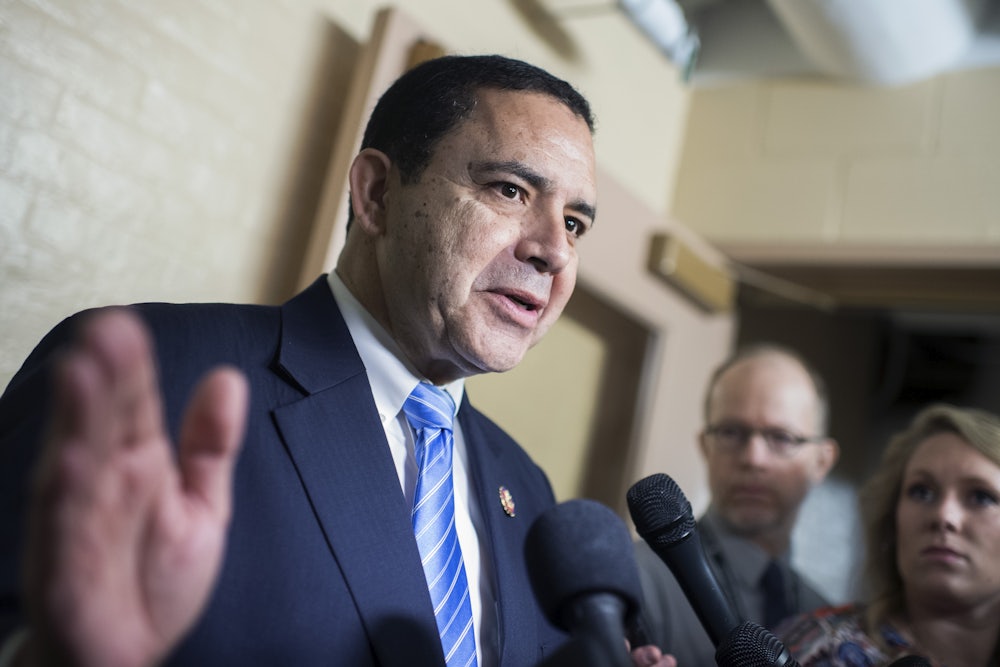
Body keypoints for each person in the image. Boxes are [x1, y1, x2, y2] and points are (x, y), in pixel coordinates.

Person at [0, 55, 674, 667]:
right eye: (509, 190)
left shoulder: (525, 486)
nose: (553, 250)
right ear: (377, 194)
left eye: (576, 224)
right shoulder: (156, 376)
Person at [633, 343, 841, 665]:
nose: (753, 458)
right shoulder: (636, 581)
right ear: (705, 446)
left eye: (782, 438)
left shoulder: (830, 621)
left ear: (822, 462)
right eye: (731, 432)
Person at [777, 404, 1000, 667]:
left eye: (980, 497)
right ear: (892, 522)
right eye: (922, 492)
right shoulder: (812, 649)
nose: (944, 516)